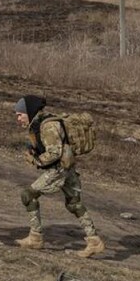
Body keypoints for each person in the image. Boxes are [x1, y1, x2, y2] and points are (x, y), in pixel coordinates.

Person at [14, 95, 104, 258]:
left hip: (59, 170)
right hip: (67, 168)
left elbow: (55, 152)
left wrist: (37, 161)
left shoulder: (48, 126)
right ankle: (94, 241)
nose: (18, 118)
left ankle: (35, 237)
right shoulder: (40, 123)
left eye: (20, 114)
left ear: (29, 112)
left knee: (27, 195)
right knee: (74, 204)